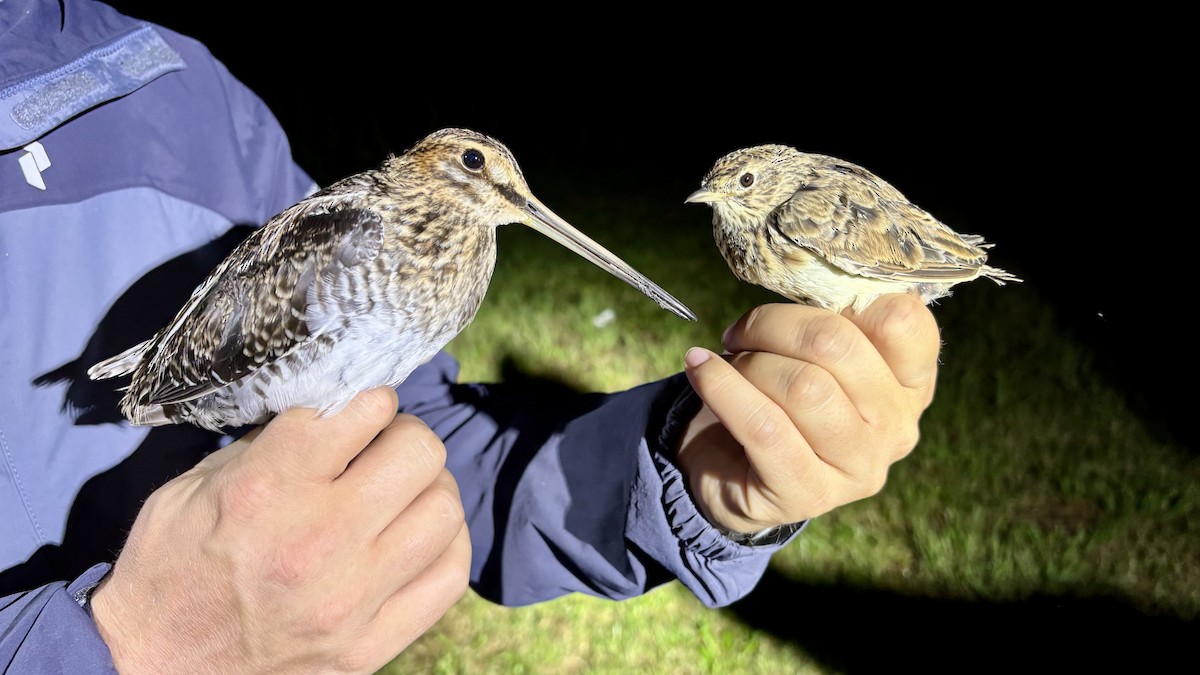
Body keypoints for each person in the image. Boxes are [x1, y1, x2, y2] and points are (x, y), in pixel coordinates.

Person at [0, 1, 941, 672]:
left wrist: (685, 471)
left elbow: (425, 441)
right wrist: (112, 654)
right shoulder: (358, 227)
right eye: (485, 172)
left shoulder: (158, 82)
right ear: (436, 167)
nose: (519, 207)